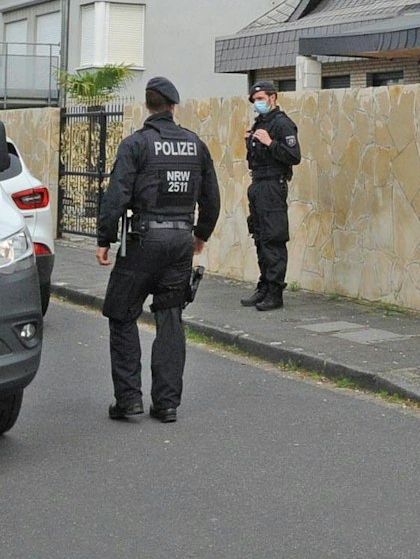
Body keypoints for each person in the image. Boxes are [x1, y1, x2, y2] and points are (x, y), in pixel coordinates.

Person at [96, 76, 220, 423]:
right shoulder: (196, 144)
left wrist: (104, 239)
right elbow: (212, 197)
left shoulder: (136, 145)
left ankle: (129, 399)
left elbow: (116, 195)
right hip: (180, 242)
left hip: (142, 241)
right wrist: (201, 234)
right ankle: (166, 404)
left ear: (148, 106)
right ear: (173, 106)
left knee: (121, 315)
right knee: (169, 318)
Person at [241, 81, 301, 311]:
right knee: (259, 236)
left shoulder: (282, 124)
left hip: (273, 185)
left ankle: (275, 292)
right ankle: (264, 285)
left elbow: (294, 156)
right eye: (255, 100)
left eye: (261, 99)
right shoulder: (260, 123)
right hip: (258, 183)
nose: (258, 103)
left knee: (273, 237)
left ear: (273, 98)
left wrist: (269, 142)